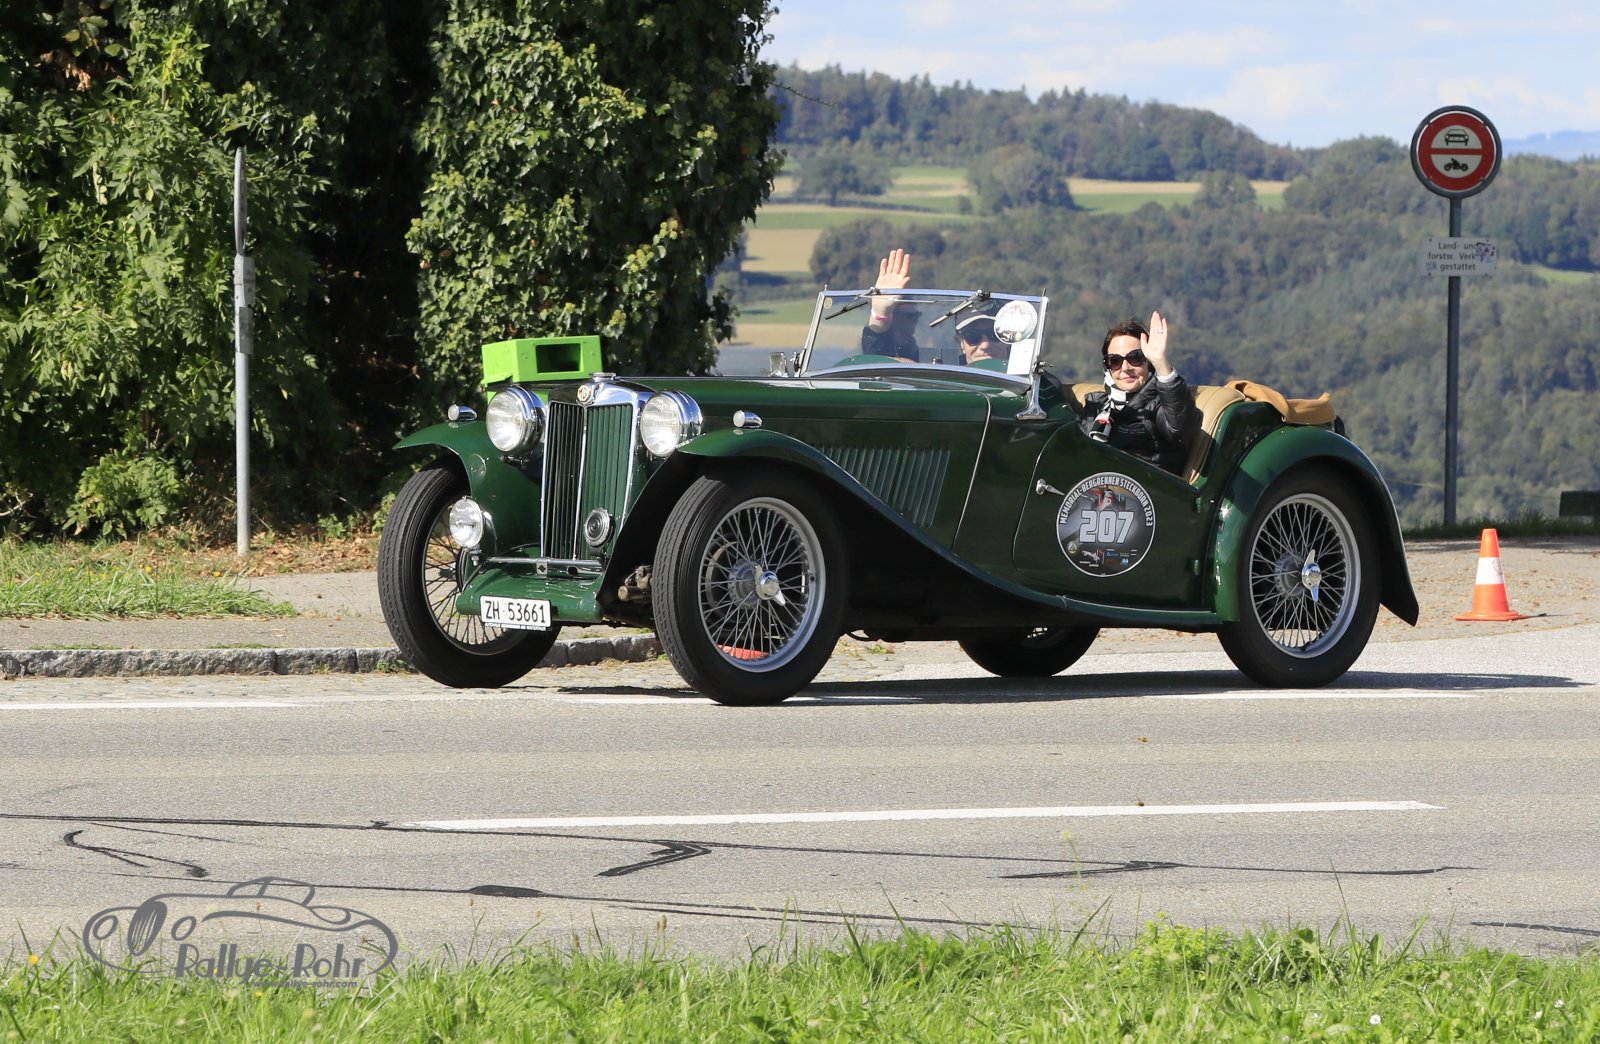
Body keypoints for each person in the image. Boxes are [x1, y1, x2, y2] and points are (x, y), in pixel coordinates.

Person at [1077, 312, 1200, 475]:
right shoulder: (1097, 406)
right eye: (1115, 361)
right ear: (1107, 367)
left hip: (1147, 487)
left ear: (1148, 362)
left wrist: (1161, 364)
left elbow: (1180, 428)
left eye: (1135, 358)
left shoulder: (1159, 404)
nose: (1125, 368)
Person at [860, 248, 924, 361]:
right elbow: (876, 352)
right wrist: (881, 312)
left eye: (917, 315)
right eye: (909, 316)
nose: (915, 320)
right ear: (894, 317)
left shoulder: (910, 344)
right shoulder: (887, 342)